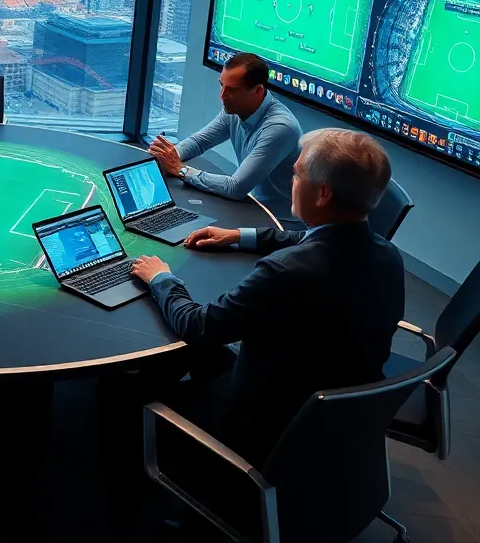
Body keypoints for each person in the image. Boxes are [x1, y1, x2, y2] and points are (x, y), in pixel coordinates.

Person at [128, 127, 404, 465]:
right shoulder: (388, 256)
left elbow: (198, 326)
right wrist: (239, 235)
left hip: (263, 421)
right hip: (331, 413)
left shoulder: (285, 272)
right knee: (198, 356)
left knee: (121, 393)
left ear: (322, 194)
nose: (291, 180)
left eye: (297, 173)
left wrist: (161, 279)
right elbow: (310, 240)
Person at [147, 52, 303, 228]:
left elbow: (235, 187)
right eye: (222, 86)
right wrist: (166, 156)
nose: (222, 96)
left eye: (232, 90)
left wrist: (180, 169)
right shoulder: (235, 108)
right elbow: (200, 142)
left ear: (258, 90)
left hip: (280, 223)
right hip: (249, 206)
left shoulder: (280, 128)